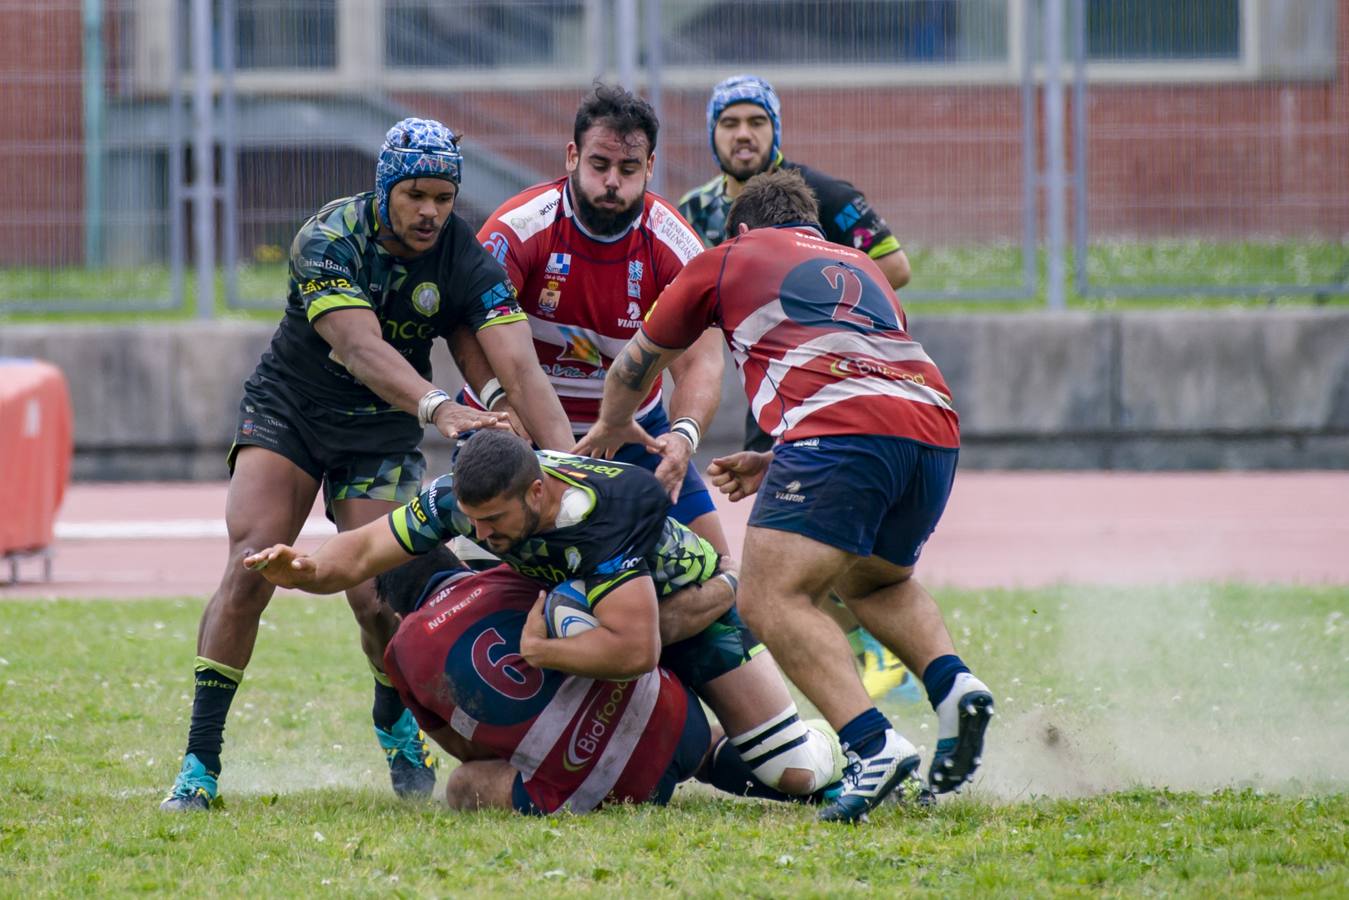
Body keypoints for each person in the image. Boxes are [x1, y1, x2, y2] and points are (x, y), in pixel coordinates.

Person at [158, 118, 573, 812]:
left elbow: (519, 366)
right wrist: (443, 407)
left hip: (379, 434)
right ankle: (199, 764)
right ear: (384, 189)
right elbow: (360, 351)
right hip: (291, 414)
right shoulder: (328, 238)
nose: (430, 213)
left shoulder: (462, 254)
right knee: (252, 563)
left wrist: (559, 466)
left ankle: (392, 719)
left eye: (443, 197)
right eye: (415, 195)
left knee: (383, 598)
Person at [585, 169, 994, 823]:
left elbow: (637, 361)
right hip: (934, 428)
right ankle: (952, 684)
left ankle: (872, 745)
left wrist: (610, 424)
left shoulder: (726, 257)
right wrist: (776, 458)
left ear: (741, 227)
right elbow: (870, 372)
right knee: (874, 583)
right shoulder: (864, 267)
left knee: (768, 597)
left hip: (840, 434)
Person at [245, 430, 845, 804]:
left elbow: (637, 650)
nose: (480, 537)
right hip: (608, 611)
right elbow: (369, 549)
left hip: (695, 610)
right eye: (472, 523)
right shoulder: (471, 496)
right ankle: (686, 746)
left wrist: (541, 653)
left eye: (494, 523)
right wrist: (308, 572)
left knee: (794, 772)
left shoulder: (608, 510)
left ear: (537, 493)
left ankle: (853, 742)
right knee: (568, 610)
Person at [679, 73, 919, 703]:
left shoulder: (820, 194)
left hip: (826, 380)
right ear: (713, 134)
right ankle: (859, 649)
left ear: (775, 131)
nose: (743, 135)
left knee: (792, 543)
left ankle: (865, 656)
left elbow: (894, 265)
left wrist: (811, 295)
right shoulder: (696, 211)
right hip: (764, 384)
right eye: (729, 123)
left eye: (756, 122)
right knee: (792, 544)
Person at [455, 83, 729, 554]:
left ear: (649, 167)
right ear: (572, 157)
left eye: (627, 169)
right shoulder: (518, 228)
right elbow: (464, 325)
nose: (611, 183)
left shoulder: (676, 246)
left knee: (720, 569)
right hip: (516, 427)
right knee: (486, 574)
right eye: (599, 165)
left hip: (633, 431)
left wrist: (683, 439)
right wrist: (497, 400)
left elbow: (702, 361)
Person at [376, 547, 715, 814]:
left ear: (399, 617)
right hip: (686, 726)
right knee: (688, 734)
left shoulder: (400, 652)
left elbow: (468, 750)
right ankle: (747, 758)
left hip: (603, 791)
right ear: (463, 568)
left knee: (462, 784)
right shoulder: (512, 573)